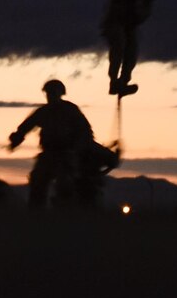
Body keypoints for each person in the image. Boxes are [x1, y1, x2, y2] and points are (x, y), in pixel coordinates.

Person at [7, 79, 117, 209]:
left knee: (65, 181)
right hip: (49, 153)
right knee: (37, 179)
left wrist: (76, 149)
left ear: (60, 93)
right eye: (49, 93)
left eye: (53, 92)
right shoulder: (44, 111)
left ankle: (65, 209)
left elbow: (85, 131)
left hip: (67, 153)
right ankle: (36, 211)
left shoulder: (70, 110)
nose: (51, 95)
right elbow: (26, 126)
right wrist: (16, 139)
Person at [101, 0, 165, 96]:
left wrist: (134, 9)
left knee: (132, 53)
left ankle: (123, 81)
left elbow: (139, 18)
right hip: (114, 23)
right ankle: (114, 81)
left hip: (129, 28)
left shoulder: (146, 6)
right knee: (118, 48)